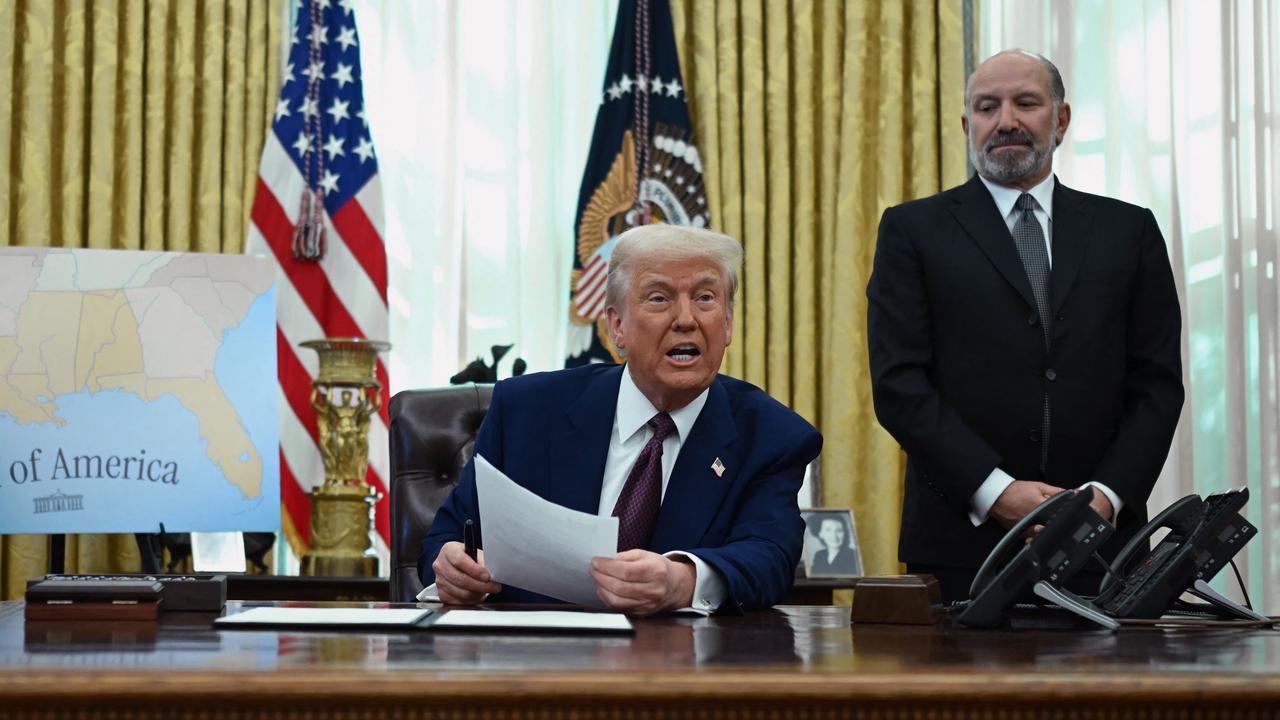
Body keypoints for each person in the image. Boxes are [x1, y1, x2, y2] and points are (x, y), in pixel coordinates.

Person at [865, 50, 1184, 602]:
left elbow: (1156, 385)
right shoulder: (912, 230)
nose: (1006, 120)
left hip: (1106, 547)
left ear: (1060, 119)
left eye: (1026, 103)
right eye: (987, 107)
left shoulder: (1128, 231)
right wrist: (998, 492)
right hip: (962, 548)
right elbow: (899, 386)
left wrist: (1106, 497)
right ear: (968, 126)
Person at [421, 224, 822, 614]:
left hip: (679, 668)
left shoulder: (771, 436)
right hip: (534, 662)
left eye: (705, 298)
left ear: (729, 323)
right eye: (660, 299)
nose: (686, 319)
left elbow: (770, 556)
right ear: (617, 326)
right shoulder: (526, 411)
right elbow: (448, 536)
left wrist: (681, 582)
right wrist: (453, 566)